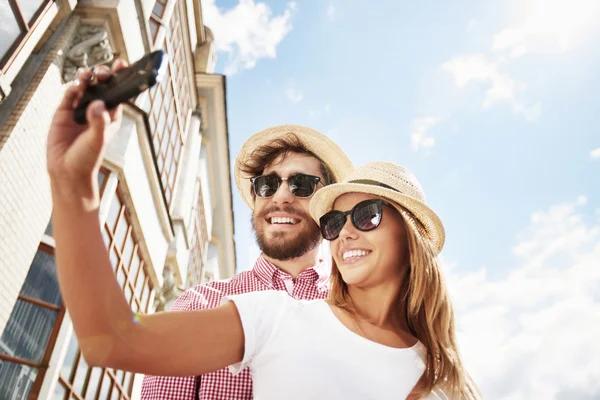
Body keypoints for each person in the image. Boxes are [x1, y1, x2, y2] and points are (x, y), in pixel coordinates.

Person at [46, 63, 354, 400]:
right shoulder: (201, 306)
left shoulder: (361, 313)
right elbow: (112, 339)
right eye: (267, 184)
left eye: (301, 184)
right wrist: (72, 183)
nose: (280, 195)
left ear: (328, 207)